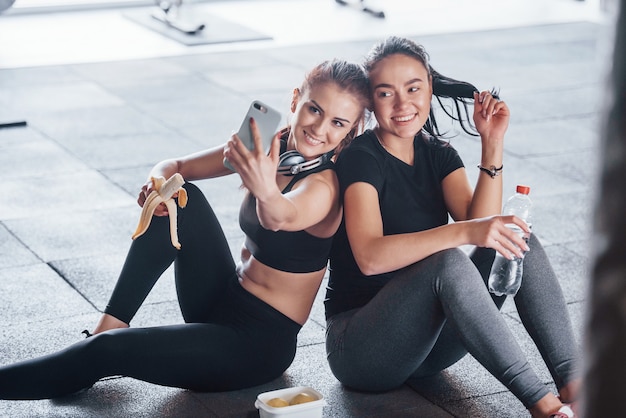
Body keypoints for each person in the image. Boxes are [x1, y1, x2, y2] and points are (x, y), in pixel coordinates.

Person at [0, 59, 370, 400]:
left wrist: (263, 182)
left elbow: (279, 216)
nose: (319, 129)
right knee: (180, 195)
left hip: (256, 342)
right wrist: (157, 185)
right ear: (296, 99)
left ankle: (90, 352)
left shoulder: (326, 187)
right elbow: (175, 164)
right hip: (221, 297)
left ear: (351, 129)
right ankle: (108, 324)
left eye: (338, 123)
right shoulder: (270, 142)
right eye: (315, 109)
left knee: (107, 352)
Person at [324, 36, 581, 418]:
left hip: (426, 348)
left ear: (429, 85)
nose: (403, 104)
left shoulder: (437, 152)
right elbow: (370, 257)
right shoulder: (360, 158)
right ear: (370, 101)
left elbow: (481, 224)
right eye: (385, 93)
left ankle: (576, 385)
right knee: (447, 263)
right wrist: (465, 234)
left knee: (516, 238)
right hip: (362, 350)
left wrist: (491, 143)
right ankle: (542, 404)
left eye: (413, 88)